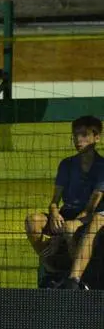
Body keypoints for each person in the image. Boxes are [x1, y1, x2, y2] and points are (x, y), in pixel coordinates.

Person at [25, 115, 104, 289]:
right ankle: (52, 269)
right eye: (75, 135)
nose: (78, 140)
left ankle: (78, 278)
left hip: (88, 216)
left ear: (96, 137)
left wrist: (60, 235)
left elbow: (91, 208)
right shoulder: (66, 164)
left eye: (84, 135)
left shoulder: (102, 166)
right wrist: (54, 212)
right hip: (66, 213)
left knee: (68, 229)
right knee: (33, 220)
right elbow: (54, 201)